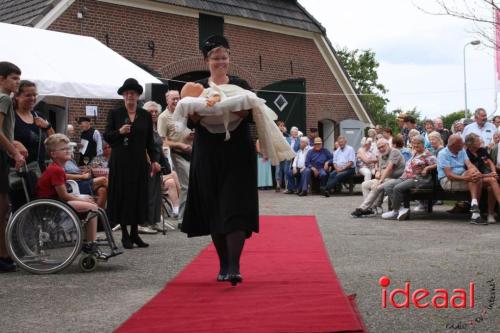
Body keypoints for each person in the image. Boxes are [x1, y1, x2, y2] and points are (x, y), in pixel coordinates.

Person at [181, 35, 259, 286]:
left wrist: (223, 104)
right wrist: (201, 108)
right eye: (216, 58)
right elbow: (190, 120)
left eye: (224, 57)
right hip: (207, 151)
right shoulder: (196, 88)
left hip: (236, 151)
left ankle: (235, 266)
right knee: (215, 206)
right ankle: (223, 264)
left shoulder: (240, 85)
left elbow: (249, 115)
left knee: (234, 206)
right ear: (207, 60)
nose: (221, 62)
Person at [104, 78, 161, 249]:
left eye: (133, 93)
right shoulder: (115, 114)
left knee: (138, 196)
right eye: (127, 93)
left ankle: (135, 234)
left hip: (138, 162)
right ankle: (124, 235)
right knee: (123, 196)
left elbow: (150, 141)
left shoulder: (144, 115)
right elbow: (107, 136)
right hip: (120, 161)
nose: (130, 96)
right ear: (123, 96)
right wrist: (119, 132)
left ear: (137, 96)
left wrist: (154, 160)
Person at [36, 134, 105, 259]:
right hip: (52, 206)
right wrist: (81, 199)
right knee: (93, 208)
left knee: (92, 204)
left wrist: (82, 198)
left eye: (68, 148)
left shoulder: (58, 168)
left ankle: (89, 240)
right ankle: (90, 243)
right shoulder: (56, 170)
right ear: (53, 154)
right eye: (63, 149)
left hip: (55, 202)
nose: (68, 150)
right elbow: (64, 195)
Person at [0, 62, 26, 272]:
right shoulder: (3, 99)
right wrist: (15, 152)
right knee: (2, 208)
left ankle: (4, 254)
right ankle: (2, 256)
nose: (17, 82)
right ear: (2, 79)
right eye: (14, 78)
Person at [382, 136, 437, 221]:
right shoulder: (414, 153)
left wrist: (427, 168)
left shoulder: (427, 154)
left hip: (419, 179)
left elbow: (438, 164)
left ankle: (395, 211)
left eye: (418, 143)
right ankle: (401, 209)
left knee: (397, 188)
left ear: (423, 144)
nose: (415, 145)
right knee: (387, 185)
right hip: (406, 177)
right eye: (414, 143)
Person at [157, 89, 192, 222]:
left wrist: (190, 136)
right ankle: (182, 219)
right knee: (186, 186)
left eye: (178, 98)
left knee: (194, 185)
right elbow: (162, 141)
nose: (176, 101)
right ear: (167, 100)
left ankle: (192, 215)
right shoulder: (163, 117)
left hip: (192, 152)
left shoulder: (184, 113)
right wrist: (180, 145)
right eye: (173, 99)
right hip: (178, 154)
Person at [140, 101, 173, 235]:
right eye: (150, 112)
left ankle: (154, 221)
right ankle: (144, 223)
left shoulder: (153, 128)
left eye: (155, 112)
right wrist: (152, 163)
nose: (153, 114)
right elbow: (143, 148)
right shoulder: (142, 127)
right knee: (148, 194)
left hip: (157, 165)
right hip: (147, 166)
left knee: (156, 194)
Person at [351, 138, 405, 217]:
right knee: (364, 184)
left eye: (383, 146)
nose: (381, 149)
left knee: (377, 186)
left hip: (397, 179)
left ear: (387, 145)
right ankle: (371, 208)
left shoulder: (394, 152)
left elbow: (389, 169)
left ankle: (363, 208)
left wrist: (380, 180)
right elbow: (380, 169)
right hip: (386, 178)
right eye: (379, 148)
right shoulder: (380, 155)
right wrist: (378, 173)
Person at [437, 134, 484, 223]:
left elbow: (469, 164)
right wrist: (467, 178)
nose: (463, 144)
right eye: (461, 143)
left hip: (462, 175)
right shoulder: (443, 154)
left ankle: (474, 205)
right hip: (447, 180)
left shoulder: (461, 150)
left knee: (474, 175)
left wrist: (476, 172)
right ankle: (475, 213)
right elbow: (449, 175)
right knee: (476, 180)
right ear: (453, 145)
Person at [13, 80, 54, 170]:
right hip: (17, 171)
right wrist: (13, 143)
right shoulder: (11, 117)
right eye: (28, 95)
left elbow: (54, 141)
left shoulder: (38, 115)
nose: (32, 98)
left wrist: (48, 126)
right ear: (17, 96)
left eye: (34, 95)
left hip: (39, 169)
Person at [464, 133, 500, 224]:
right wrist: (491, 175)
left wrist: (494, 172)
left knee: (491, 186)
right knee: (492, 180)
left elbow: (490, 162)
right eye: (477, 140)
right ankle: (487, 213)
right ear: (471, 143)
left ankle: (490, 214)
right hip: (473, 178)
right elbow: (476, 174)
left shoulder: (482, 150)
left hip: (485, 176)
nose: (480, 141)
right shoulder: (466, 154)